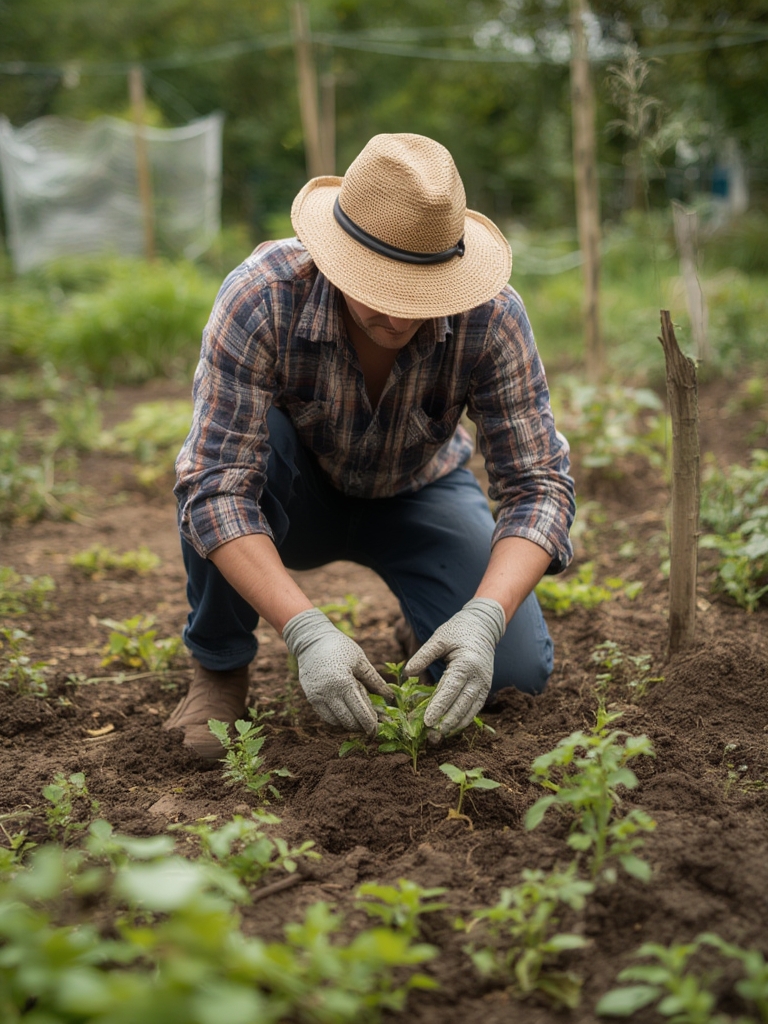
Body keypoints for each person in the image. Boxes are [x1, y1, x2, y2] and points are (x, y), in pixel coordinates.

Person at [167, 132, 575, 760]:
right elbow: (214, 483)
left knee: (514, 671)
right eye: (381, 289)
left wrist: (486, 615)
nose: (400, 319)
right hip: (292, 497)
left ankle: (441, 627)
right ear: (336, 257)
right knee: (243, 457)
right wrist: (305, 632)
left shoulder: (492, 317)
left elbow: (539, 484)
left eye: (423, 293)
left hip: (418, 492)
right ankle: (220, 667)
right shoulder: (262, 297)